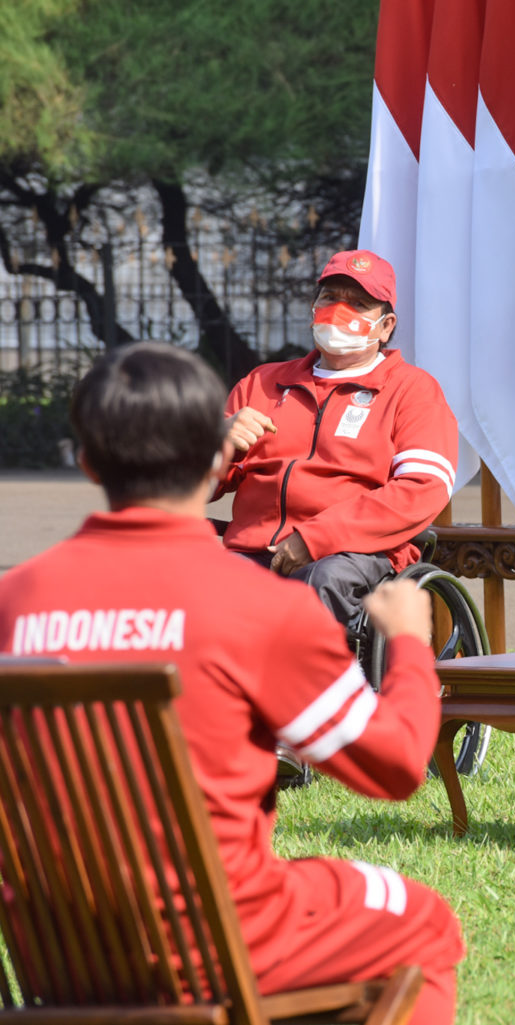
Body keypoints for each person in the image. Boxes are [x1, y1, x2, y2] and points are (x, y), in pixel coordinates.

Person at [1, 343, 463, 1023]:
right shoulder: (260, 608)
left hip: (52, 950)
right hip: (218, 942)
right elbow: (394, 766)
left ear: (88, 462)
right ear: (216, 457)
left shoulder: (14, 602)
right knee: (422, 920)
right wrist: (409, 644)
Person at [217, 249, 458, 635]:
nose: (338, 311)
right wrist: (217, 446)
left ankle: (308, 692)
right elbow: (193, 486)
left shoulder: (413, 391)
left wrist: (315, 538)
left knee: (320, 582)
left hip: (352, 553)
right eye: (330, 298)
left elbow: (422, 489)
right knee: (194, 578)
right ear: (314, 307)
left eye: (358, 303)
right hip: (250, 550)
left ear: (385, 326)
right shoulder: (261, 383)